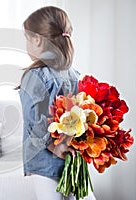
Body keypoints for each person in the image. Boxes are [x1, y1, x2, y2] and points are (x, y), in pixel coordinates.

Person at [18, 6, 95, 200]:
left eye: (27, 39)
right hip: (72, 160)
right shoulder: (74, 75)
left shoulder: (34, 76)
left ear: (36, 39)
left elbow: (37, 122)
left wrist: (54, 146)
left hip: (45, 162)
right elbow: (82, 117)